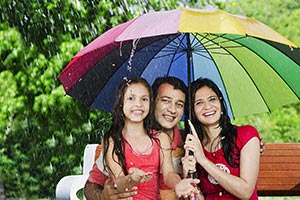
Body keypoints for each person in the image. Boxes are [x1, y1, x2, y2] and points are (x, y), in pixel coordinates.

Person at [84, 76, 189, 200]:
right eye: (166, 100)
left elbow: (169, 174)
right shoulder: (113, 142)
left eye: (144, 99)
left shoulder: (184, 141)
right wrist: (129, 179)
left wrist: (180, 183)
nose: (138, 104)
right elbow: (103, 184)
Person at [182, 78, 261, 199]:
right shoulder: (193, 146)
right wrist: (188, 177)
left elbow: (245, 192)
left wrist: (203, 160)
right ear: (192, 112)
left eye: (212, 99)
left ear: (221, 103)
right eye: (199, 103)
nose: (207, 106)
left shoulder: (246, 135)